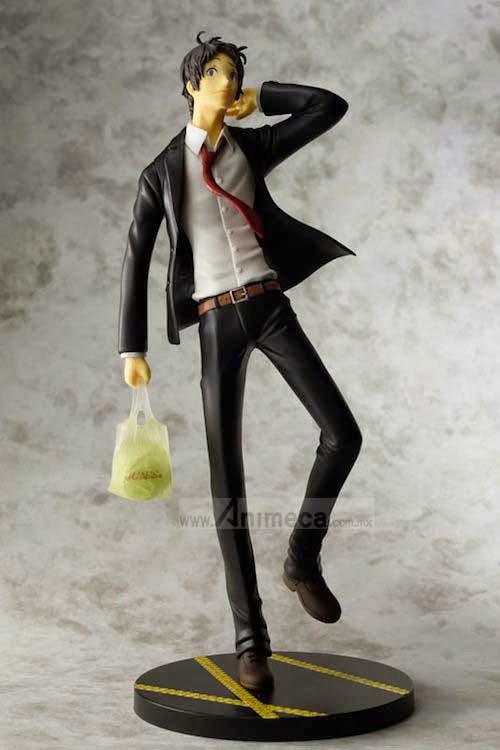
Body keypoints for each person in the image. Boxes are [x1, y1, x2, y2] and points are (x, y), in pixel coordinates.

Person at [118, 31, 362, 691]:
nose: (226, 83)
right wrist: (133, 348)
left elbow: (328, 107)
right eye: (216, 74)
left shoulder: (252, 146)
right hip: (216, 323)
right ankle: (250, 640)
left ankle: (302, 558)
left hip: (270, 306)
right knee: (228, 485)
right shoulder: (161, 172)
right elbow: (136, 258)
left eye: (232, 74)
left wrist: (266, 97)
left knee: (343, 434)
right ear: (191, 86)